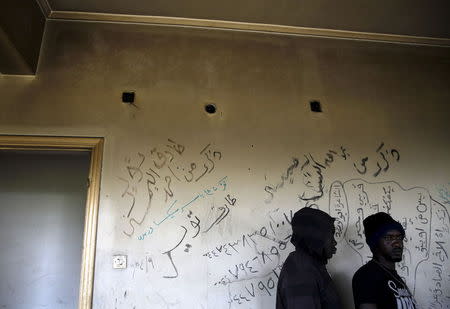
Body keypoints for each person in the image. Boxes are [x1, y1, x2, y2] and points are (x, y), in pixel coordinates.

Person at [276, 207, 341, 309]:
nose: (334, 242)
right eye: (331, 235)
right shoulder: (301, 272)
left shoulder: (309, 265)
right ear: (316, 237)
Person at [352, 212, 417, 309]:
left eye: (399, 237)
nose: (397, 244)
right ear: (375, 244)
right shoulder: (366, 276)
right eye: (388, 238)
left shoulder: (394, 276)